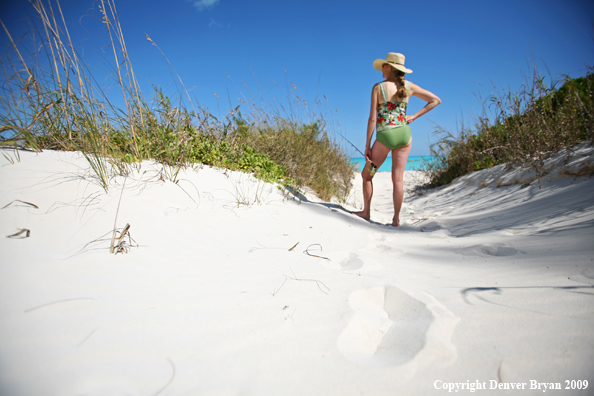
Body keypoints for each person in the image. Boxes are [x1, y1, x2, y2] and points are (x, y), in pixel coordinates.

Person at [352, 52, 441, 226]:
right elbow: (435, 100)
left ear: (390, 67)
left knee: (367, 176)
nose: (382, 69)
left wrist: (368, 145)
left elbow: (372, 119)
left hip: (386, 136)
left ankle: (366, 212)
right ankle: (396, 219)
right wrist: (414, 116)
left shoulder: (378, 87)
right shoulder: (409, 86)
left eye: (384, 65)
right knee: (397, 179)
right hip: (404, 135)